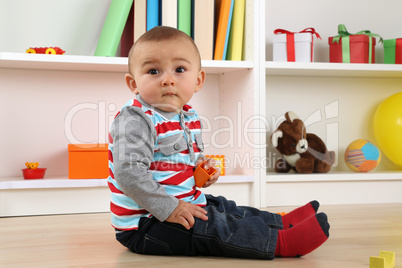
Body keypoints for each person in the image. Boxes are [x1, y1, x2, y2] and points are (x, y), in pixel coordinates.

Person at [107, 26, 330, 260]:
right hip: (147, 224)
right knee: (214, 227)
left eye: (180, 69)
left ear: (198, 80)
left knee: (224, 207)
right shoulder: (136, 120)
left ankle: (280, 223)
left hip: (184, 202)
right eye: (153, 71)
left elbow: (187, 160)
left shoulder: (188, 116)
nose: (168, 80)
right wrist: (169, 208)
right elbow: (129, 173)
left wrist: (203, 169)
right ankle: (279, 242)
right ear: (133, 84)